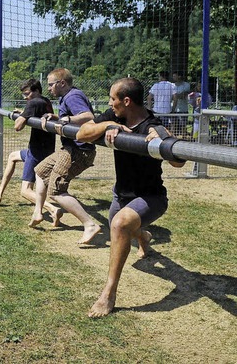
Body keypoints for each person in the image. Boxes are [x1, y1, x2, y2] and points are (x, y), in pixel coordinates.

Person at [76, 77, 186, 318]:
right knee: (122, 225)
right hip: (121, 196)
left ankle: (108, 294)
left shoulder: (152, 125)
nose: (109, 103)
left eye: (112, 99)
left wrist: (164, 139)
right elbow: (83, 134)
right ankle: (144, 236)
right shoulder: (114, 116)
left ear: (126, 101)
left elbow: (179, 162)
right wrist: (106, 126)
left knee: (120, 224)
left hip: (152, 198)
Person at [28, 68, 101, 244]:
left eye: (51, 85)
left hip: (79, 150)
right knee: (40, 171)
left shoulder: (72, 96)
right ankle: (38, 212)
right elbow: (72, 116)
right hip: (68, 148)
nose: (49, 89)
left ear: (62, 83)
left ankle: (89, 224)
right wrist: (56, 116)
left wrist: (67, 120)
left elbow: (88, 117)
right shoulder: (66, 97)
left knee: (57, 191)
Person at [0, 79, 63, 226]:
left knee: (26, 191)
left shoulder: (33, 103)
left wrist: (22, 116)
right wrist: (25, 113)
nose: (25, 97)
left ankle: (52, 209)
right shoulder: (45, 101)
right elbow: (36, 115)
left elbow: (18, 126)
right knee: (13, 156)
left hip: (36, 151)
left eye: (27, 94)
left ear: (36, 91)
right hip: (45, 148)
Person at [171, 71, 191, 138]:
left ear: (179, 76)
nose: (173, 77)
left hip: (183, 108)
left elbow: (183, 95)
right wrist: (176, 96)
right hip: (174, 108)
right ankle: (172, 138)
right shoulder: (172, 85)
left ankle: (184, 138)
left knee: (183, 125)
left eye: (174, 76)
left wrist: (175, 96)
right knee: (173, 124)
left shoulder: (186, 85)